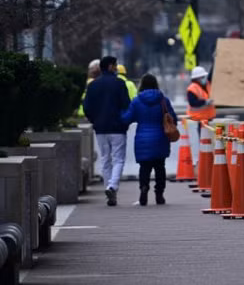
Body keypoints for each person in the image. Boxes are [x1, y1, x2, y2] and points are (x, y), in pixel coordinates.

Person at [122, 74, 178, 206]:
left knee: (144, 168)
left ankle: (143, 188)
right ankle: (159, 194)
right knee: (160, 167)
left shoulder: (136, 101)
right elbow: (173, 118)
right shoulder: (163, 100)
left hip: (143, 139)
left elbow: (126, 119)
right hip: (160, 138)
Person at [83, 56, 131, 206]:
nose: (116, 68)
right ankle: (112, 186)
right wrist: (125, 122)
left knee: (105, 159)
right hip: (117, 128)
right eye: (115, 65)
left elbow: (87, 108)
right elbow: (126, 105)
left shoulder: (93, 86)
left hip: (101, 128)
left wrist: (95, 120)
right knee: (118, 159)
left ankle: (108, 190)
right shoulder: (119, 84)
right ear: (110, 66)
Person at [187, 66, 215, 135]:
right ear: (197, 78)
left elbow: (211, 75)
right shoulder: (192, 88)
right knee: (203, 141)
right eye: (202, 77)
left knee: (208, 141)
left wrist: (214, 60)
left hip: (208, 118)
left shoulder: (206, 84)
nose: (204, 78)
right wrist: (205, 102)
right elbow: (192, 103)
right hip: (198, 120)